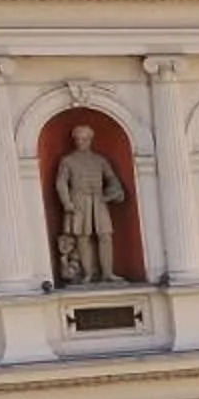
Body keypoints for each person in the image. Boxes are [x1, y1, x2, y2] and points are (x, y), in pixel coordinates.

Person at [54, 121, 124, 284]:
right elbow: (61, 182)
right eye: (78, 139)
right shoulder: (68, 160)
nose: (81, 142)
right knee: (83, 237)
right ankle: (87, 273)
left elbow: (111, 178)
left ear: (90, 140)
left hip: (99, 200)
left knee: (105, 235)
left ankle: (108, 273)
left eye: (84, 139)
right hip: (79, 199)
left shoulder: (100, 160)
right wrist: (67, 202)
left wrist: (113, 190)